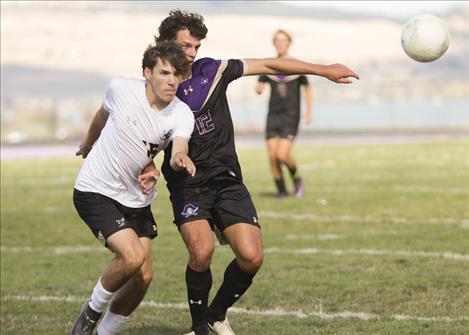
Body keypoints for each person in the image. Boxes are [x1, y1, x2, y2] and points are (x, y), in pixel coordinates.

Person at [141, 10, 359, 335]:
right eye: (185, 45)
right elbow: (138, 129)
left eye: (195, 46)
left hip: (226, 179)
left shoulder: (212, 70)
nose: (191, 53)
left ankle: (216, 314)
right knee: (201, 253)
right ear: (165, 43)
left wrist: (322, 70)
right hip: (188, 184)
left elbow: (270, 65)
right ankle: (199, 327)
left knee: (251, 257)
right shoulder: (154, 86)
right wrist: (146, 164)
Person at [71, 41, 195, 335]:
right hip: (95, 190)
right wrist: (89, 142)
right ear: (147, 73)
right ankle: (90, 314)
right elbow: (102, 115)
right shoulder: (121, 89)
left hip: (136, 199)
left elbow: (179, 146)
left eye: (176, 74)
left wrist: (179, 159)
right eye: (164, 73)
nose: (171, 81)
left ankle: (104, 333)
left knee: (143, 277)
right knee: (132, 256)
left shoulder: (181, 113)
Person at [256, 29, 313, 199]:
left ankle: (297, 179)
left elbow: (308, 88)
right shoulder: (269, 65)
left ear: (289, 43)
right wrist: (259, 88)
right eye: (277, 40)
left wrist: (308, 111)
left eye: (284, 40)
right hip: (273, 115)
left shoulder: (297, 65)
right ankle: (281, 191)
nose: (280, 43)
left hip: (291, 115)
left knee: (282, 155)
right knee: (272, 156)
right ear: (274, 43)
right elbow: (259, 85)